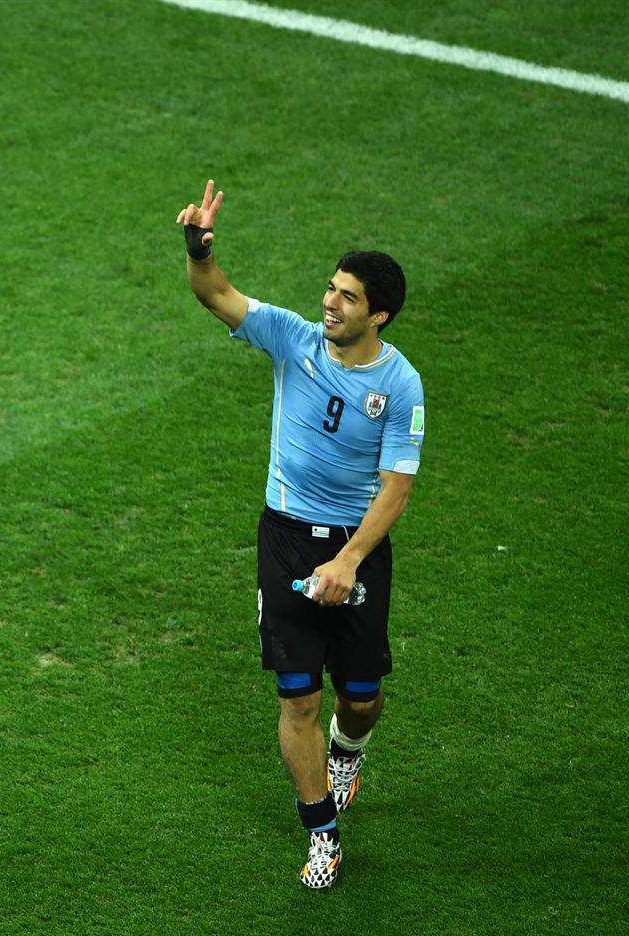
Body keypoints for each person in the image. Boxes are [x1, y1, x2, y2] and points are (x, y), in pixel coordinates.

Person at [174, 180, 425, 889]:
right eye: (329, 288)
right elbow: (216, 295)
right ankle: (321, 833)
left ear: (377, 314)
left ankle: (348, 749)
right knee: (296, 696)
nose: (329, 302)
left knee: (359, 693)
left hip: (355, 547)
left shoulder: (400, 386)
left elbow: (396, 486)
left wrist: (348, 559)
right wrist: (197, 252)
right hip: (283, 535)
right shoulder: (291, 337)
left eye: (346, 296)